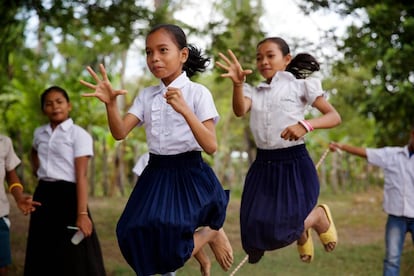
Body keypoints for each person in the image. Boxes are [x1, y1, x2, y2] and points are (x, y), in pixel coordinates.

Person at [80, 24, 233, 276]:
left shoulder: (197, 93)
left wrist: (185, 110)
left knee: (169, 238)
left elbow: (211, 145)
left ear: (183, 55)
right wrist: (110, 104)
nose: (155, 58)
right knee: (129, 230)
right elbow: (119, 132)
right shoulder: (146, 95)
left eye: (163, 50)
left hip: (189, 172)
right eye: (149, 52)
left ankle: (209, 232)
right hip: (156, 171)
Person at [215, 37, 341, 264]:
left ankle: (317, 217)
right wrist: (237, 84)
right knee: (252, 231)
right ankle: (302, 229)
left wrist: (305, 126)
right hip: (263, 165)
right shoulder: (255, 92)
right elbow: (239, 110)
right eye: (259, 57)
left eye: (270, 56)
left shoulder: (301, 86)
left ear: (286, 60)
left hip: (294, 162)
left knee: (281, 229)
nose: (263, 61)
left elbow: (334, 116)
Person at [24, 86, 106, 276]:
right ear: (44, 109)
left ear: (69, 105)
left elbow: (82, 176)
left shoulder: (78, 135)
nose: (55, 107)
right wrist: (39, 170)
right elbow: (34, 151)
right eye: (49, 103)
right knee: (42, 248)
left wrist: (82, 213)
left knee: (73, 252)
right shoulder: (40, 133)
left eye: (59, 102)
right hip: (43, 193)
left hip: (69, 195)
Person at [329, 124, 414, 276]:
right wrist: (341, 146)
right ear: (412, 134)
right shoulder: (392, 155)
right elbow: (365, 153)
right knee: (392, 259)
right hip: (396, 218)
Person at [0, 135, 40, 276]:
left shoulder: (4, 142)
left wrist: (19, 198)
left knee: (2, 267)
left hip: (0, 215)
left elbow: (11, 175)